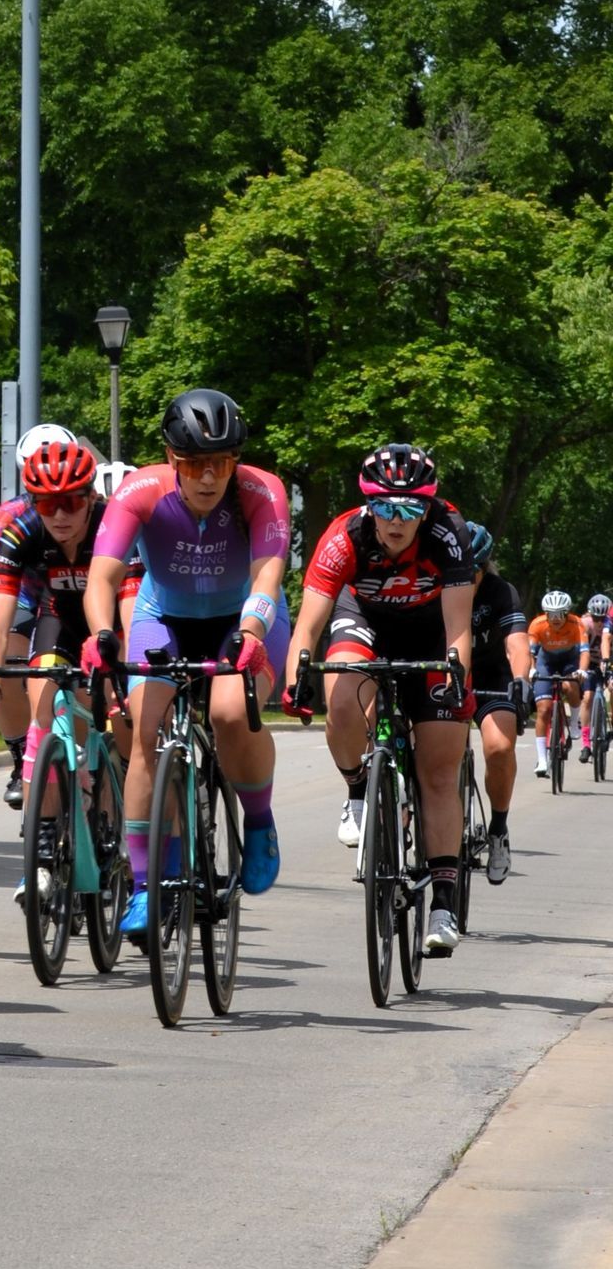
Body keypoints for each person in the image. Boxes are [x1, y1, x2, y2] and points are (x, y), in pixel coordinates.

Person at [84, 390, 290, 935]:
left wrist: (250, 632)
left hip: (242, 618)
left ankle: (260, 819)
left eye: (221, 463)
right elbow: (102, 577)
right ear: (172, 458)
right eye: (195, 463)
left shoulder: (260, 491)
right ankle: (147, 884)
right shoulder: (139, 492)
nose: (208, 477)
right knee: (143, 730)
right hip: (164, 615)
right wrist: (103, 633)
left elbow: (269, 574)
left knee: (228, 712)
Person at [283, 443, 475, 955]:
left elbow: (459, 629)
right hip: (363, 619)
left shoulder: (447, 533)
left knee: (438, 771)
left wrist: (457, 679)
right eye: (386, 507)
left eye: (410, 507)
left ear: (427, 507)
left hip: (430, 631)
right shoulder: (344, 535)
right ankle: (357, 790)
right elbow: (308, 625)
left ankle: (442, 903)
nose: (397, 520)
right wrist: (295, 680)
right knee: (340, 698)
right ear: (369, 505)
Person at [0, 440, 139, 905]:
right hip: (59, 620)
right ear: (33, 503)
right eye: (48, 503)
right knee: (42, 716)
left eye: (71, 501)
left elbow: (129, 610)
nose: (60, 514)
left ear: (91, 497)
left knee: (124, 714)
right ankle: (45, 849)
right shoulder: (22, 529)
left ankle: (127, 822)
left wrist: (123, 670)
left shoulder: (115, 526)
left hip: (119, 619)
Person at [0, 424, 81, 809]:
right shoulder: (9, 519)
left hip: (82, 595)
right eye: (42, 497)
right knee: (5, 653)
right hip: (30, 596)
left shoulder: (94, 511)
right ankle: (20, 758)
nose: (57, 506)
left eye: (70, 499)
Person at [463, 524, 529, 882]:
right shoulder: (433, 586)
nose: (465, 578)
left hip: (491, 677)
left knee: (500, 748)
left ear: (484, 568)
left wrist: (520, 680)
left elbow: (517, 644)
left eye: (472, 571)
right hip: (447, 674)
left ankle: (498, 830)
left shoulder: (500, 592)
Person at [526, 590, 589, 779]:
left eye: (559, 614)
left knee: (571, 685)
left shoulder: (577, 623)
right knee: (543, 709)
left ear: (567, 612)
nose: (555, 618)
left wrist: (582, 670)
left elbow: (584, 652)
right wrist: (531, 669)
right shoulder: (537, 624)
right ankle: (542, 759)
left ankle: (574, 721)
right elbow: (531, 653)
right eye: (550, 614)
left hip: (569, 660)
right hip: (546, 661)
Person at [579, 593, 610, 763]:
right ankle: (586, 745)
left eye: (602, 618)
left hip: (607, 662)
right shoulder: (584, 624)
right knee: (588, 698)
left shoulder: (610, 625)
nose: (599, 622)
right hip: (589, 664)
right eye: (595, 617)